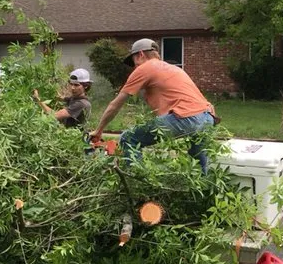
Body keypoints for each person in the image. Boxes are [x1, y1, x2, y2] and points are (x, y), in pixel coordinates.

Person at [89, 39, 216, 170]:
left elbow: (116, 104)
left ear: (141, 55)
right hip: (208, 117)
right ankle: (203, 187)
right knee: (198, 162)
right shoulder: (173, 69)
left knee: (129, 138)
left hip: (186, 118)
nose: (134, 67)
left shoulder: (145, 68)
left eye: (133, 61)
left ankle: (137, 182)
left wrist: (99, 131)